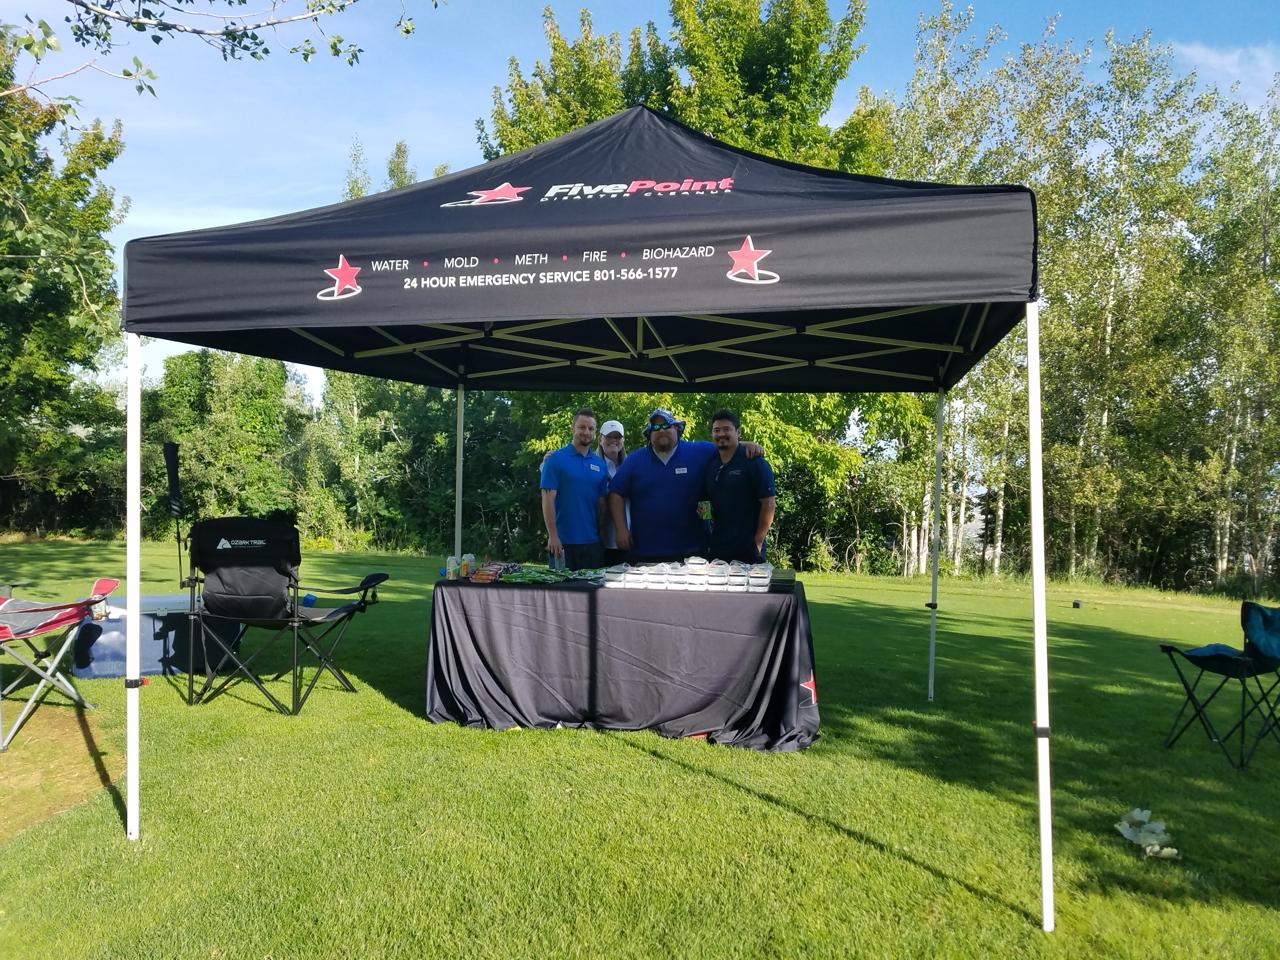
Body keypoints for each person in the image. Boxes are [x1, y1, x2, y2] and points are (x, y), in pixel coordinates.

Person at [608, 408, 762, 564]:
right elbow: (616, 492)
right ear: (649, 433)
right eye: (656, 428)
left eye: (666, 425)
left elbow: (725, 445)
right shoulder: (635, 459)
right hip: (645, 552)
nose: (661, 431)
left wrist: (746, 444)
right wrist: (621, 529)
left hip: (692, 554)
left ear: (677, 428)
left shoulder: (699, 451)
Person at [539, 407, 608, 570]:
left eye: (591, 428)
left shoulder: (599, 464)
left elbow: (602, 504)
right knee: (561, 594)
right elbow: (547, 500)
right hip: (563, 543)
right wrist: (553, 536)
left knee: (593, 593)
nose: (587, 432)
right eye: (582, 427)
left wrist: (601, 534)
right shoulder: (555, 460)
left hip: (592, 543)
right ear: (573, 429)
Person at [704, 409, 776, 563]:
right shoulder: (710, 463)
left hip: (748, 548)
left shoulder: (755, 462)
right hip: (718, 547)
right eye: (716, 430)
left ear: (738, 432)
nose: (721, 434)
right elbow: (705, 502)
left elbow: (769, 505)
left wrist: (758, 541)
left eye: (726, 429)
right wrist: (706, 530)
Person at [596, 419, 630, 566]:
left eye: (617, 437)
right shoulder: (591, 464)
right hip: (601, 541)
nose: (613, 441)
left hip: (629, 540)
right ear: (600, 439)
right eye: (609, 437)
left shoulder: (630, 466)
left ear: (622, 440)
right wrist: (546, 461)